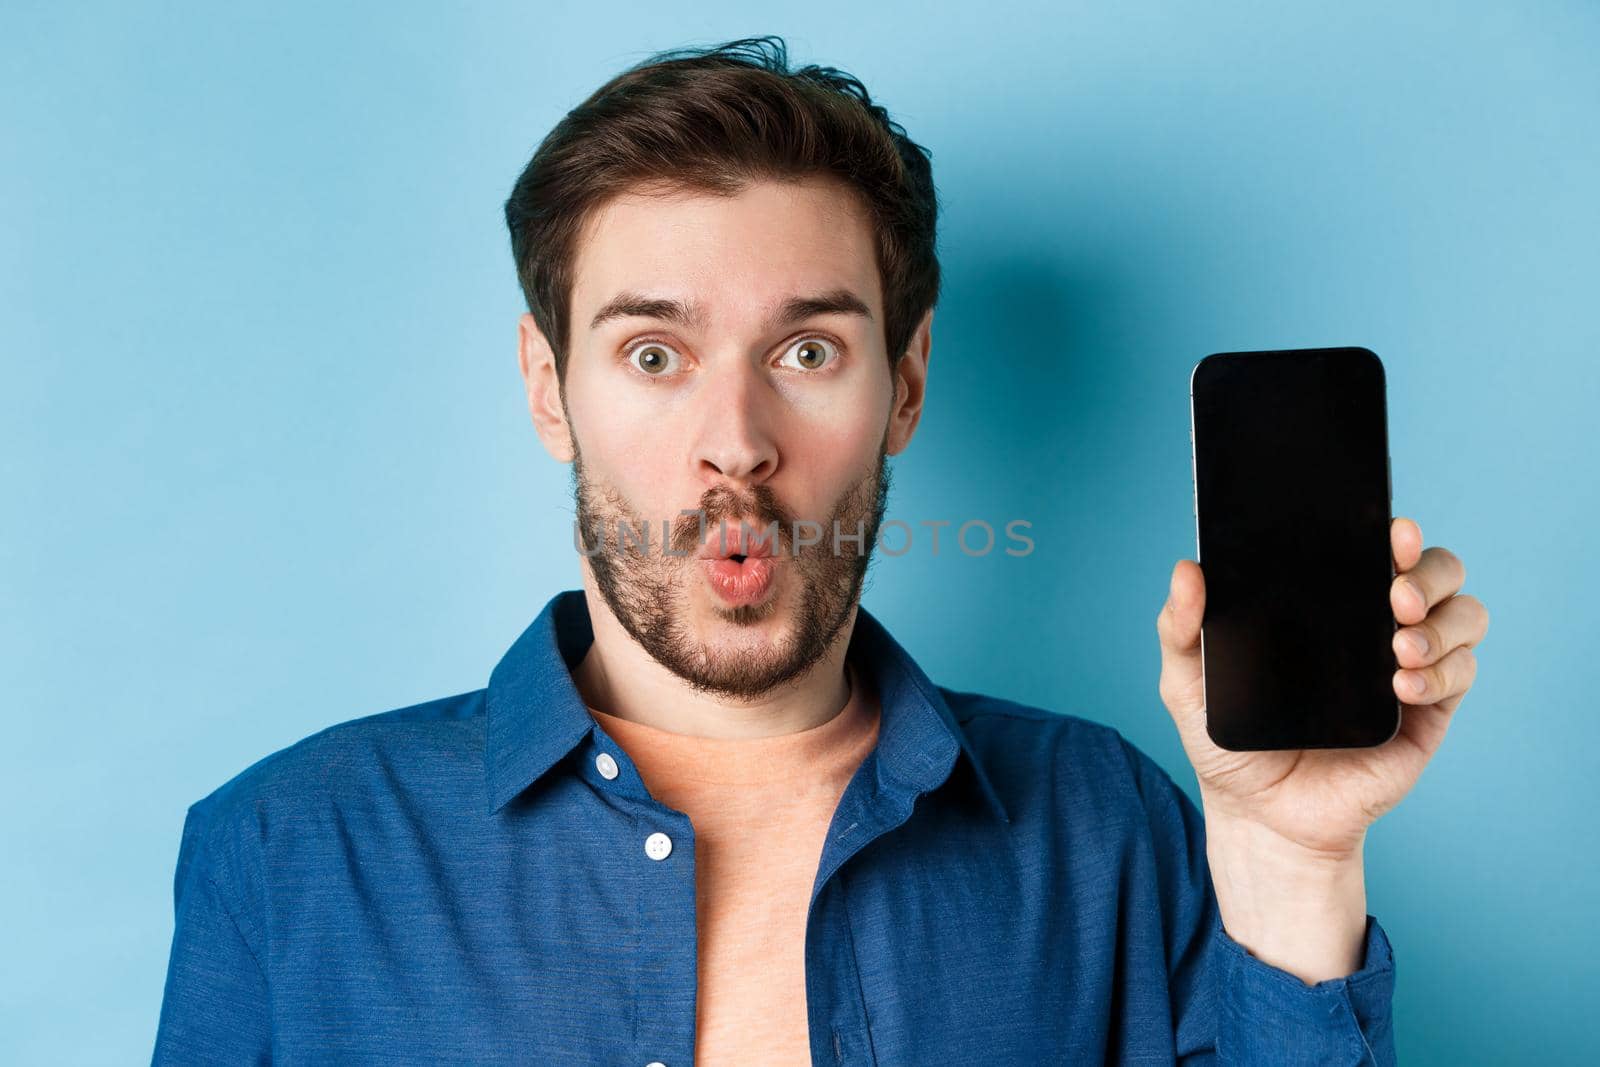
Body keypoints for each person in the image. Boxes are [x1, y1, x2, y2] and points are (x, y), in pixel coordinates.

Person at [152, 35, 1489, 1066]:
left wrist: (1295, 859)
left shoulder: (1105, 828)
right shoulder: (286, 852)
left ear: (903, 385)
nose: (735, 440)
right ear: (549, 388)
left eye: (806, 352)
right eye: (655, 354)